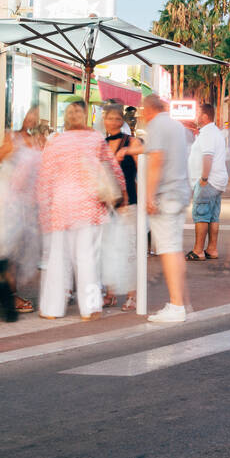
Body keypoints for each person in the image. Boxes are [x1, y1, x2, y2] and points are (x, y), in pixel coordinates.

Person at [36, 100, 123, 320]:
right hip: (89, 206)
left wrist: (44, 210)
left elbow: (45, 178)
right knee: (88, 258)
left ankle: (51, 308)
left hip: (61, 206)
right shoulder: (95, 139)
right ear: (85, 116)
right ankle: (90, 308)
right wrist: (121, 195)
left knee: (58, 260)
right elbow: (113, 170)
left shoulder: (55, 141)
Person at [138, 93, 192, 323]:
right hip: (179, 192)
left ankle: (176, 305)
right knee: (175, 248)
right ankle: (181, 301)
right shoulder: (176, 126)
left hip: (166, 195)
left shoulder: (156, 126)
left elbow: (157, 160)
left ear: (148, 110)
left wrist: (149, 196)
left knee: (168, 249)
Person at [0, 109, 43, 313]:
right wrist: (17, 149)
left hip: (27, 199)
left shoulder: (37, 140)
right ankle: (9, 296)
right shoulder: (11, 137)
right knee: (9, 246)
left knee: (21, 247)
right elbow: (1, 157)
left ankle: (8, 291)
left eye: (35, 117)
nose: (31, 120)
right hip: (9, 196)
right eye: (29, 115)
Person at [101, 106, 140, 310]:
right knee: (108, 249)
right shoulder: (102, 144)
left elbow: (142, 168)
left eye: (117, 118)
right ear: (104, 120)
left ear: (122, 120)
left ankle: (132, 295)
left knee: (129, 250)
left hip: (128, 202)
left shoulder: (131, 142)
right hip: (107, 204)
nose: (113, 122)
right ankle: (111, 293)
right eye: (109, 118)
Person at [187, 103, 229, 261]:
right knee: (212, 216)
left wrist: (204, 178)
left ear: (204, 116)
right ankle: (212, 248)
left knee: (201, 215)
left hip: (208, 180)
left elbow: (208, 156)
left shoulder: (207, 133)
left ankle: (198, 250)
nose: (196, 116)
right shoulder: (214, 132)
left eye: (198, 113)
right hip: (217, 180)